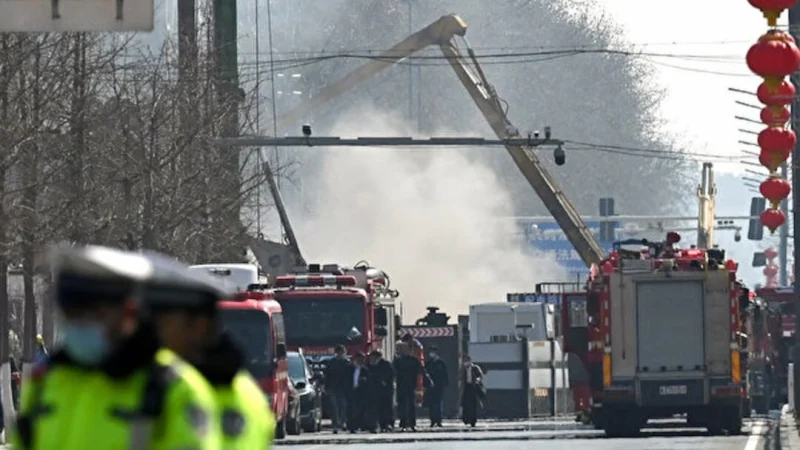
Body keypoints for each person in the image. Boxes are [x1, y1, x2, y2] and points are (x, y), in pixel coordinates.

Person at [11, 244, 221, 450]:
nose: (81, 325)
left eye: (94, 315)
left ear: (129, 313)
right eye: (72, 315)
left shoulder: (172, 390)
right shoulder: (46, 383)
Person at [141, 250, 275, 449]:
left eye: (163, 322)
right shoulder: (250, 397)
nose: (151, 330)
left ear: (199, 326)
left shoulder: (159, 385)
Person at [393, 341, 429, 431]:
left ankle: (412, 423)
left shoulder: (414, 360)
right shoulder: (398, 361)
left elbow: (421, 370)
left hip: (411, 385)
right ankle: (403, 423)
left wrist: (426, 381)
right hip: (401, 385)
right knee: (402, 405)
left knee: (411, 405)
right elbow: (393, 372)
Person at [323, 345, 352, 433]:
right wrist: (326, 387)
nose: (341, 354)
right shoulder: (331, 362)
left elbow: (349, 376)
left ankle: (342, 422)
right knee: (334, 407)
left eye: (342, 352)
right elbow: (327, 375)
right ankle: (335, 425)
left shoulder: (347, 362)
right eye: (339, 352)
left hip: (343, 389)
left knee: (343, 406)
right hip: (333, 388)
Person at [346, 352, 375, 433]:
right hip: (351, 391)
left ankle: (361, 425)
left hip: (361, 392)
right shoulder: (349, 368)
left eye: (362, 360)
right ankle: (352, 427)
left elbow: (369, 381)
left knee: (361, 410)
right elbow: (345, 379)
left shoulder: (365, 370)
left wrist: (364, 381)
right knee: (351, 410)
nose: (361, 361)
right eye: (359, 360)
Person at [368, 349, 395, 432]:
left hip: (386, 390)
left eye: (373, 357)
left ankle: (388, 424)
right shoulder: (370, 364)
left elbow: (391, 375)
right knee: (376, 408)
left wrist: (384, 380)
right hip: (374, 390)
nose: (372, 359)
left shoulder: (386, 364)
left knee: (387, 407)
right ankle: (378, 424)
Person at [425, 345, 448, 427]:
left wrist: (445, 383)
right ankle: (432, 420)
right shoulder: (428, 363)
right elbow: (425, 374)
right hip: (430, 387)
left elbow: (445, 374)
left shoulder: (441, 363)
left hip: (439, 386)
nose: (431, 354)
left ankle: (438, 420)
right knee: (431, 404)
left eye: (433, 352)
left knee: (438, 403)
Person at [460, 355, 485, 427]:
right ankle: (466, 419)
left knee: (473, 404)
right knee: (465, 403)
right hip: (467, 387)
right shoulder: (464, 369)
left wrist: (477, 380)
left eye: (466, 361)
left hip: (473, 387)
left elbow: (480, 375)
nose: (465, 363)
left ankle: (473, 420)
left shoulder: (475, 368)